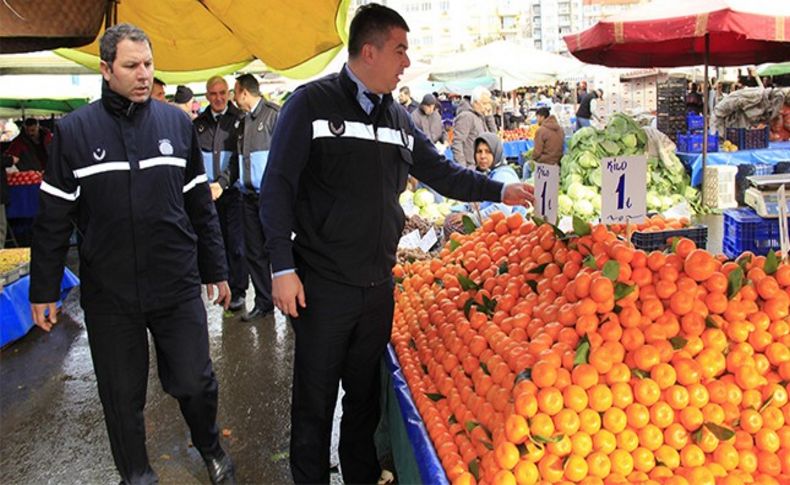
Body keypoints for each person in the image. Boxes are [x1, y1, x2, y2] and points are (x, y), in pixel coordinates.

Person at [258, 4, 534, 483]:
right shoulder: (310, 105)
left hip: (377, 287)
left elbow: (441, 172)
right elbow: (277, 187)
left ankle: (361, 475)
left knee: (363, 399)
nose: (407, 62)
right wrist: (282, 267)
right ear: (370, 51)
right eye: (400, 50)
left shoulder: (398, 118)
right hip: (322, 285)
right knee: (315, 402)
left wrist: (499, 189)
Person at [28, 23, 236, 485]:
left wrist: (216, 269)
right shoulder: (76, 131)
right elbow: (53, 218)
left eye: (148, 64)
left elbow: (200, 205)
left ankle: (211, 447)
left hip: (175, 282)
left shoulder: (176, 124)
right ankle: (136, 474)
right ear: (106, 69)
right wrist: (43, 288)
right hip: (111, 292)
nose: (143, 75)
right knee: (120, 396)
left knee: (194, 381)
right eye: (131, 66)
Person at [228, 73, 280, 321]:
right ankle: (264, 302)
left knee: (281, 249)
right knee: (255, 252)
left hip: (271, 199)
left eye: (234, 92)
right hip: (247, 198)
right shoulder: (242, 122)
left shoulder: (273, 115)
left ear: (243, 92)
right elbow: (237, 163)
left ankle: (294, 300)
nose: (233, 97)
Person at [194, 75, 247, 312]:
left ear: (229, 94)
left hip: (232, 193)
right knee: (213, 242)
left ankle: (238, 291)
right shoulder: (198, 124)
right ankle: (218, 285)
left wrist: (222, 183)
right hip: (207, 196)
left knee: (236, 245)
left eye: (222, 93)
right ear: (207, 96)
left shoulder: (240, 121)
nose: (218, 98)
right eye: (213, 94)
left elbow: (238, 159)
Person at [474, 133, 525, 217]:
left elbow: (503, 210)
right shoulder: (491, 173)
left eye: (488, 152)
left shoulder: (503, 175)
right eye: (479, 151)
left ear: (496, 152)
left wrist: (473, 218)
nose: (482, 156)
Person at [451, 86, 492, 169]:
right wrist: (463, 168)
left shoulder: (480, 116)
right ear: (476, 103)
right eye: (484, 103)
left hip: (480, 166)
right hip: (471, 167)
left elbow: (492, 137)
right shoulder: (466, 116)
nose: (487, 106)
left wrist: (489, 116)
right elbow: (457, 143)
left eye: (488, 103)